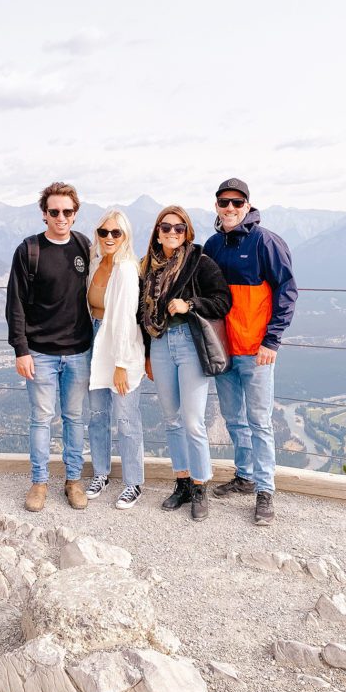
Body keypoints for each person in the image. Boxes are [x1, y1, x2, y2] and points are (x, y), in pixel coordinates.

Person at [204, 178, 297, 525]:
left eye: (236, 203)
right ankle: (245, 476)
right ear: (216, 206)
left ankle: (265, 490)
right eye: (223, 202)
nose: (229, 208)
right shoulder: (213, 245)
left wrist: (272, 340)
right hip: (223, 351)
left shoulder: (265, 242)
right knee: (233, 418)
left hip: (256, 351)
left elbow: (287, 291)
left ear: (247, 206)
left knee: (259, 422)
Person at [5, 181, 93, 513]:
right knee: (41, 420)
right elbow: (15, 304)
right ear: (44, 214)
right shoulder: (29, 250)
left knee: (74, 418)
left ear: (75, 213)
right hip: (39, 352)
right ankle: (39, 483)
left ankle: (73, 481)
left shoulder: (84, 247)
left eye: (67, 211)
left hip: (78, 350)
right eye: (54, 211)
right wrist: (21, 350)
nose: (61, 217)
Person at [140, 206, 231, 521]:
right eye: (166, 228)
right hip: (160, 345)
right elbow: (143, 316)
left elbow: (222, 301)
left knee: (192, 421)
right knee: (171, 419)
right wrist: (147, 355)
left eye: (179, 229)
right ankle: (181, 482)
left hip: (190, 346)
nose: (172, 233)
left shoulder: (199, 262)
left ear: (187, 232)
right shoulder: (148, 268)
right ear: (157, 231)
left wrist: (189, 304)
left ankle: (200, 485)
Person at [86, 209, 146, 509]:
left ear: (125, 236)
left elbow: (124, 319)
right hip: (96, 341)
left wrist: (121, 364)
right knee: (97, 415)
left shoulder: (125, 270)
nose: (109, 238)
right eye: (104, 232)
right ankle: (100, 472)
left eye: (115, 233)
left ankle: (134, 482)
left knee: (125, 417)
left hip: (120, 343)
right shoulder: (95, 262)